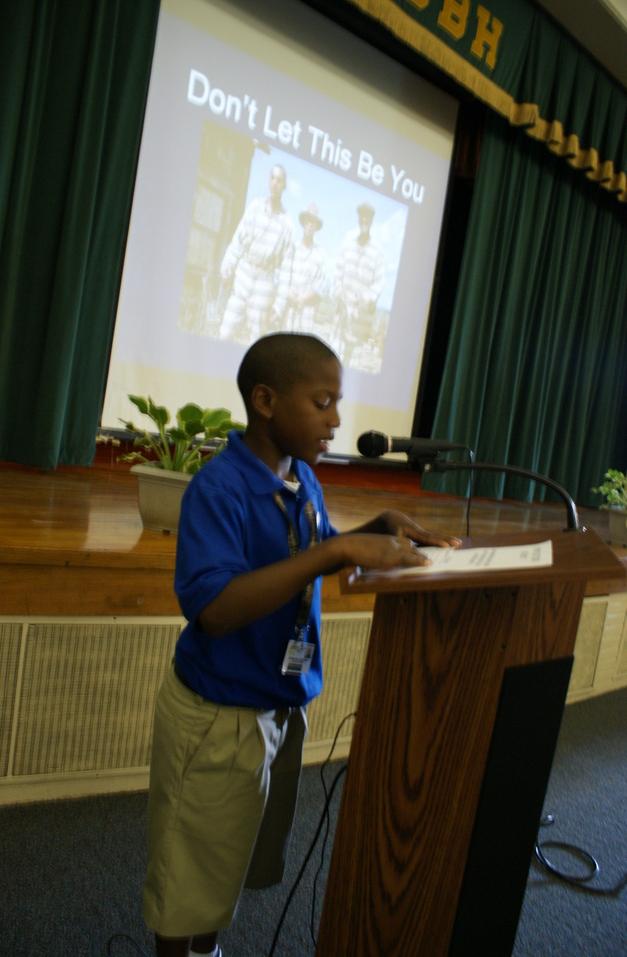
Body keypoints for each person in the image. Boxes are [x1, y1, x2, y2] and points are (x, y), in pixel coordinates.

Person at [142, 332, 461, 957]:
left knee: (227, 862)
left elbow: (310, 547)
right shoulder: (219, 488)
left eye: (338, 402)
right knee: (191, 880)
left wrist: (376, 530)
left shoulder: (302, 479)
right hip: (218, 717)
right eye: (323, 402)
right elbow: (214, 610)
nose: (337, 420)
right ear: (265, 400)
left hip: (278, 707)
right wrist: (335, 551)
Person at [218, 164, 294, 343]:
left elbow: (286, 269)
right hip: (244, 273)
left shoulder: (287, 223)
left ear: (284, 186)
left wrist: (279, 305)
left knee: (256, 341)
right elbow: (237, 241)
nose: (274, 184)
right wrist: (227, 266)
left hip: (264, 282)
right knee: (225, 332)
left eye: (279, 180)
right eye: (272, 178)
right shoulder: (255, 207)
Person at [334, 202, 385, 365]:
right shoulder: (347, 243)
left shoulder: (377, 252)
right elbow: (337, 273)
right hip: (341, 318)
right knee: (334, 364)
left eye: (367, 217)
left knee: (353, 368)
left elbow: (378, 285)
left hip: (360, 321)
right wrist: (340, 292)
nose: (364, 220)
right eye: (362, 216)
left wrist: (361, 299)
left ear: (371, 221)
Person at [275, 201, 325, 333]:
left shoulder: (319, 254)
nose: (309, 225)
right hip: (290, 306)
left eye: (313, 222)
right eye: (307, 221)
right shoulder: (293, 248)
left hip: (307, 310)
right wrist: (289, 290)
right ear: (303, 223)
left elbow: (321, 285)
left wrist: (305, 297)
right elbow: (283, 276)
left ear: (316, 226)